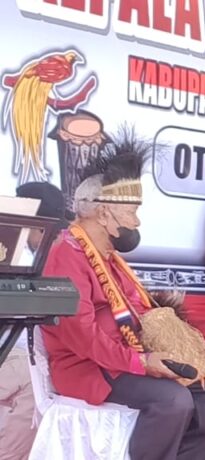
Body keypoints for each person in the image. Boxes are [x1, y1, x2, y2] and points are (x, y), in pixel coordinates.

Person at [41, 135, 205, 460]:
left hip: (130, 359)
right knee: (173, 401)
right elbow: (81, 335)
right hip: (88, 367)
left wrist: (179, 345)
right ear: (103, 213)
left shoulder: (111, 259)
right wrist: (142, 363)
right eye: (131, 211)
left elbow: (139, 315)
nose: (137, 221)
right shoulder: (66, 255)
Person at [0, 182, 74, 460]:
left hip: (32, 358)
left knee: (33, 380)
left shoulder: (60, 255)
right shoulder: (17, 251)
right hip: (20, 356)